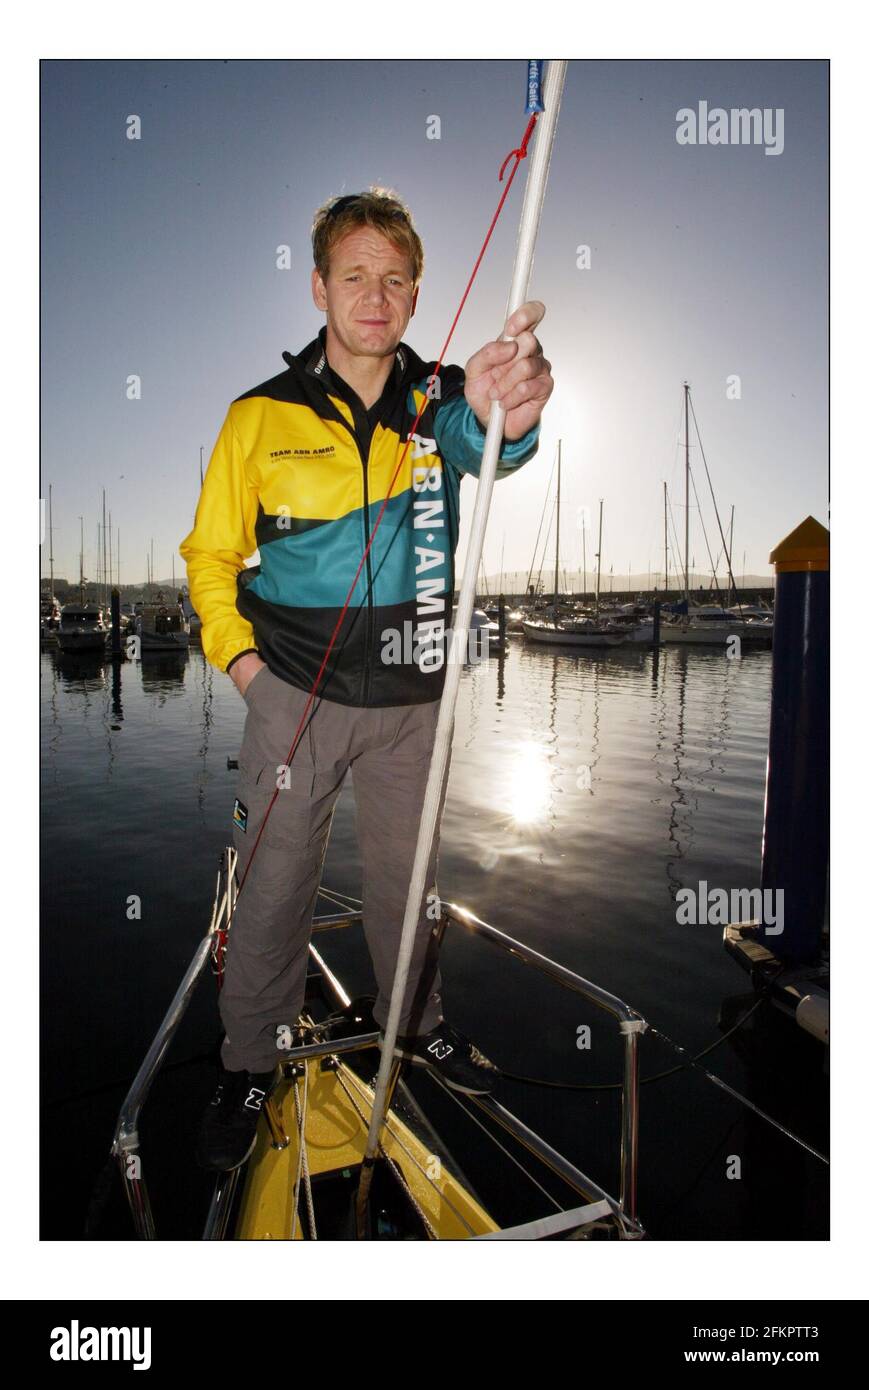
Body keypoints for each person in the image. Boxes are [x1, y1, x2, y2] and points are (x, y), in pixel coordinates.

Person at [180, 187, 553, 1170]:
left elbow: (490, 443)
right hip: (292, 699)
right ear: (319, 287)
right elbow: (208, 557)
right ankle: (248, 1059)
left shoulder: (437, 398)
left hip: (410, 703)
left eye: (393, 277)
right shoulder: (257, 417)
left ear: (416, 291)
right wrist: (251, 673)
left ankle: (414, 1023)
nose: (374, 294)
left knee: (407, 881)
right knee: (270, 887)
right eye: (354, 275)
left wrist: (509, 408)